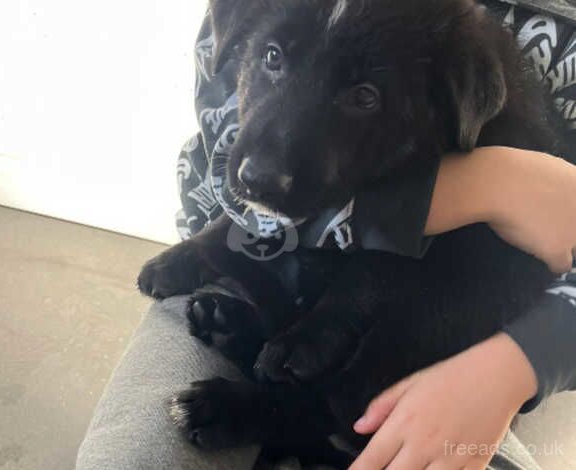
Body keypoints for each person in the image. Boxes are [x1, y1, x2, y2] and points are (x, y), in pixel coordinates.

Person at [75, 2, 576, 470]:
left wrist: (519, 364)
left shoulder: (449, 40)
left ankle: (305, 413)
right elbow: (227, 160)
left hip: (456, 361)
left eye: (362, 97)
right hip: (245, 269)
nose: (275, 154)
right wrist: (491, 185)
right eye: (273, 58)